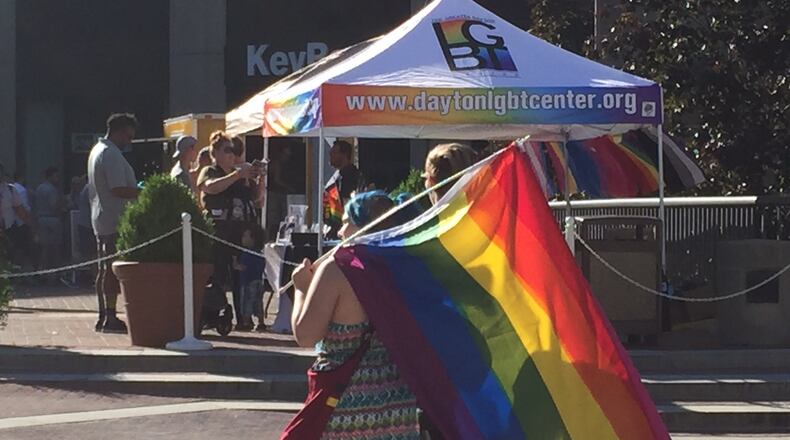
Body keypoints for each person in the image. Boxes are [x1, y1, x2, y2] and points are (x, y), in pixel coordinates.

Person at [284, 191, 419, 439]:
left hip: (345, 407)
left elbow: (305, 335)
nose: (339, 231)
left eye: (346, 222)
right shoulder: (407, 270)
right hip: (398, 408)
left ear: (362, 226)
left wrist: (301, 290)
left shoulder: (337, 270)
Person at [197, 131, 265, 331]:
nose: (231, 155)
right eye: (226, 151)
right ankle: (212, 314)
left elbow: (258, 200)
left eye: (233, 151)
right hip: (218, 234)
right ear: (215, 152)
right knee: (216, 277)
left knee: (241, 278)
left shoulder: (241, 175)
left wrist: (260, 178)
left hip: (242, 235)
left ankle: (244, 318)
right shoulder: (210, 170)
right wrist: (236, 175)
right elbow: (209, 188)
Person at [87, 113, 140, 333]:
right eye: (128, 136)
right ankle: (109, 315)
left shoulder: (98, 150)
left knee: (104, 268)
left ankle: (104, 315)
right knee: (110, 269)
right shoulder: (110, 154)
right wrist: (142, 191)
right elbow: (117, 188)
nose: (129, 141)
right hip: (113, 218)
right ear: (118, 131)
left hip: (102, 217)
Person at [34, 166, 66, 283]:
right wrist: (62, 204)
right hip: (52, 220)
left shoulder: (39, 188)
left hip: (41, 219)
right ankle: (56, 274)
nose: (58, 179)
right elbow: (55, 207)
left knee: (44, 248)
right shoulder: (52, 190)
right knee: (55, 248)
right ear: (50, 176)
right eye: (56, 176)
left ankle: (42, 273)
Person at [323, 140, 360, 239]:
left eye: (334, 152)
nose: (330, 155)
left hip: (344, 229)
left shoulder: (350, 175)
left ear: (345, 154)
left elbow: (348, 203)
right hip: (332, 226)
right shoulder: (337, 174)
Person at [232, 226, 265, 332]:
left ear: (253, 239)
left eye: (245, 236)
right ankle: (261, 322)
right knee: (258, 302)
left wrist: (235, 263)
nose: (243, 238)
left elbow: (242, 267)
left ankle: (246, 322)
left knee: (247, 302)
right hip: (259, 281)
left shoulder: (246, 254)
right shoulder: (260, 253)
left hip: (247, 282)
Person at [0, 163, 33, 265]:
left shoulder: (10, 189)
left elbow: (20, 210)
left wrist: (32, 227)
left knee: (9, 260)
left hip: (8, 232)